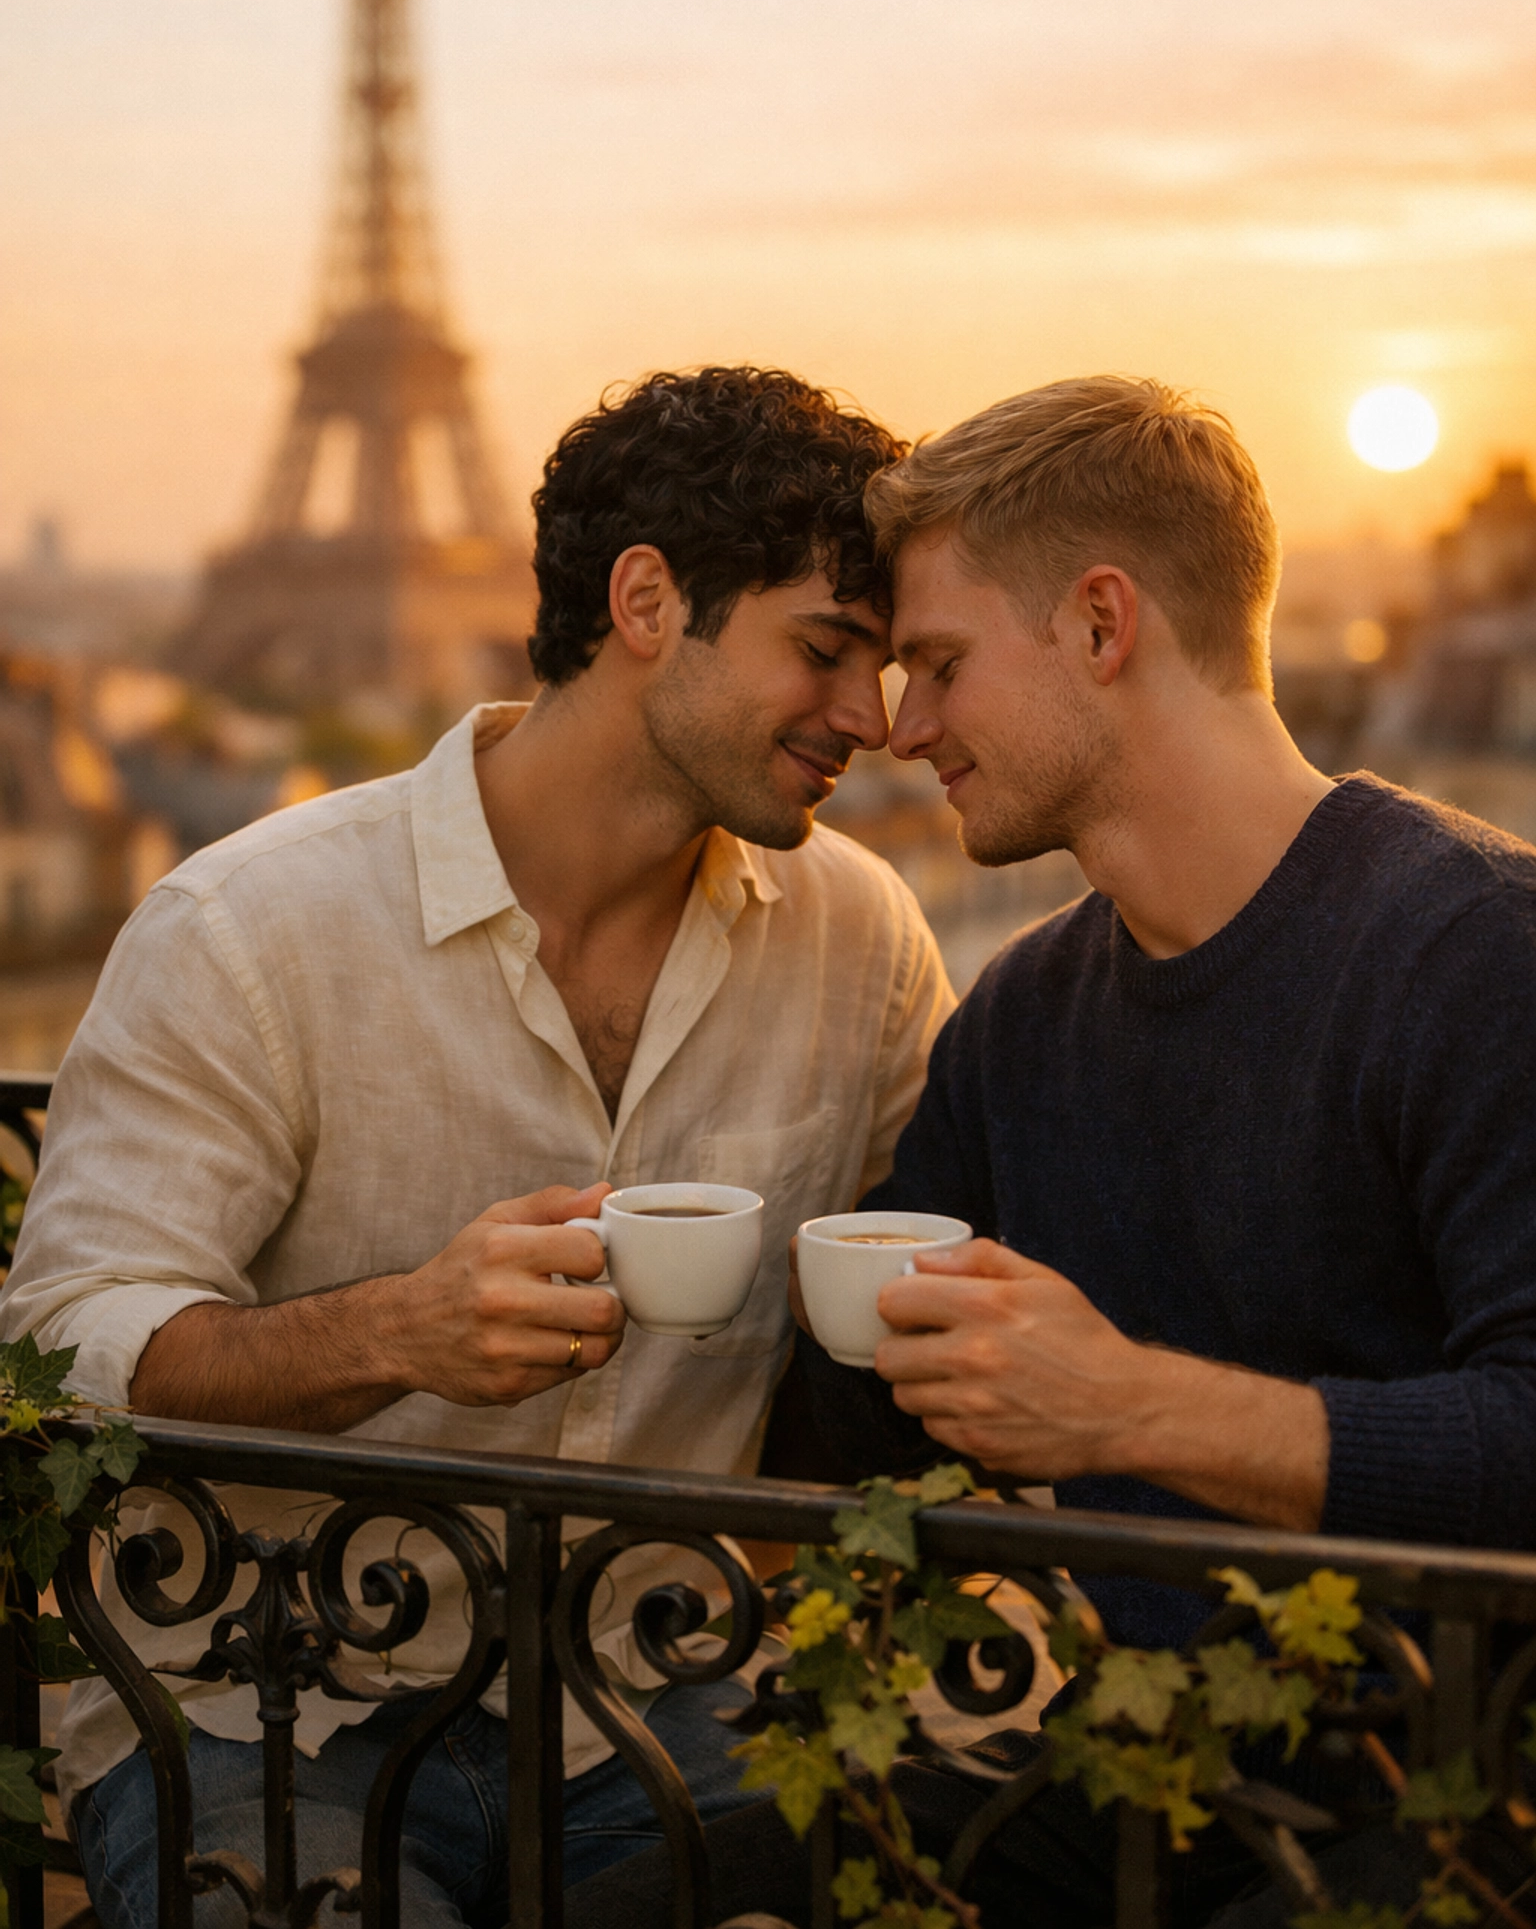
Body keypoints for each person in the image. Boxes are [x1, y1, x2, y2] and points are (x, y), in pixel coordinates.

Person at [1, 365, 953, 1928]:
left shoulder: (861, 936)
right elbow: (63, 1339)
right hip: (277, 1706)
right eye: (829, 651)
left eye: (895, 665)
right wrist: (398, 1332)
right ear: (647, 600)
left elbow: (949, 1236)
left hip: (669, 1692)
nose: (875, 719)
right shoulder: (248, 929)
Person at [774, 373, 1536, 1928]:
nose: (902, 728)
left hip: (1479, 1794)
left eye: (939, 664)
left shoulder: (1482, 956)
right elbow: (851, 1427)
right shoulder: (1024, 1015)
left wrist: (1127, 1403)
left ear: (1103, 626)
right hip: (1156, 1772)